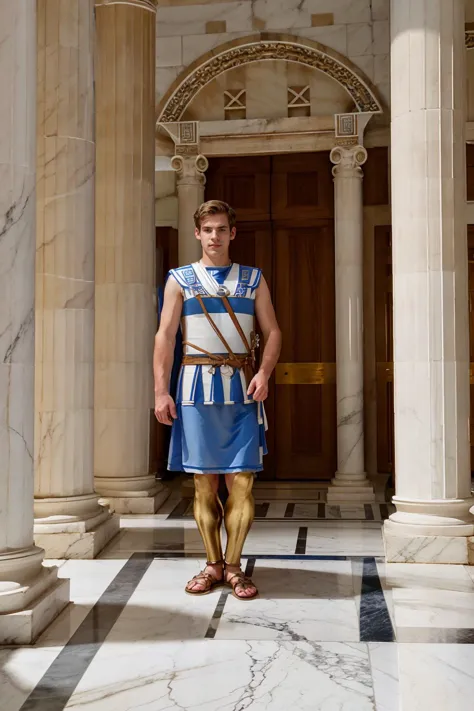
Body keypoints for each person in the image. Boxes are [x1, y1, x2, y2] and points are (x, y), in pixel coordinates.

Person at [154, 200, 281, 600]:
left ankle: (234, 567)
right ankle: (212, 565)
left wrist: (263, 373)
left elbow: (273, 331)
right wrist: (160, 390)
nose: (214, 236)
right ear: (197, 233)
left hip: (241, 389)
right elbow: (165, 336)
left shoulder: (253, 278)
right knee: (203, 485)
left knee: (241, 482)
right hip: (194, 389)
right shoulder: (180, 279)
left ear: (232, 233)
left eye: (221, 229)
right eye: (207, 229)